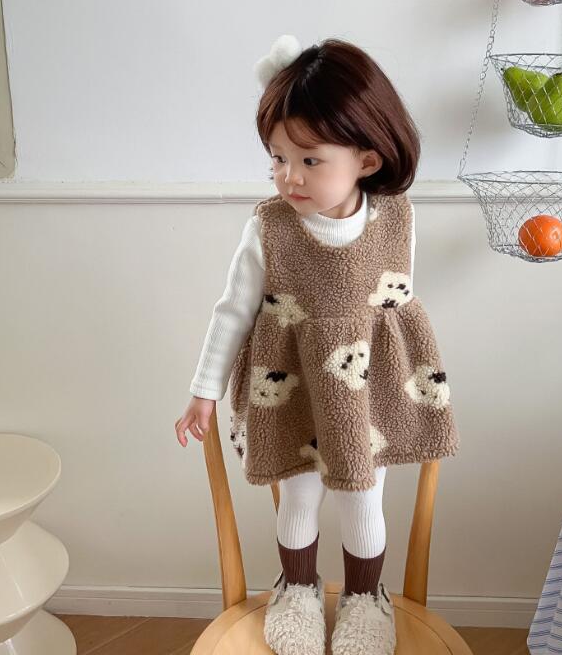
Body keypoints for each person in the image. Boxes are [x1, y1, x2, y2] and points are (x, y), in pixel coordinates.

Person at [176, 35, 459, 655]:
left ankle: (365, 597)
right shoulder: (270, 227)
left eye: (309, 160)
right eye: (277, 159)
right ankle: (297, 589)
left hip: (364, 399)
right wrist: (204, 391)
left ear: (367, 158)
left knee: (363, 501)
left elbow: (394, 310)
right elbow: (232, 312)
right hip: (291, 391)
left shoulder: (397, 218)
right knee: (298, 499)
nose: (289, 176)